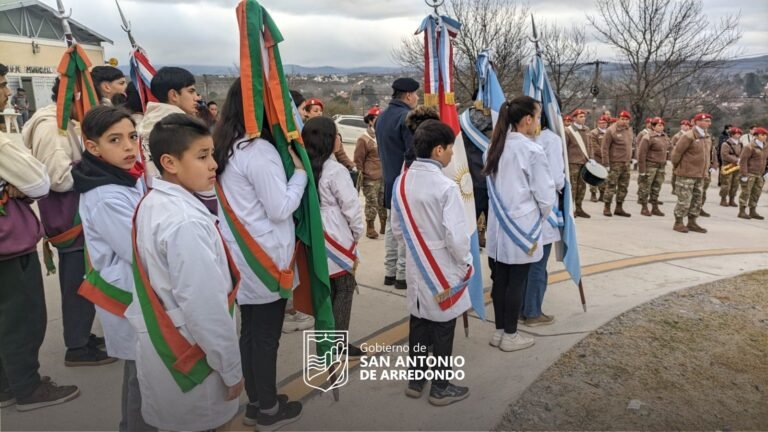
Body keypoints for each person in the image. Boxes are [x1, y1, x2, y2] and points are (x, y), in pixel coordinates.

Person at [130, 114, 243, 431]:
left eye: (212, 155)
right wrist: (232, 370)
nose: (214, 166)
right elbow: (204, 307)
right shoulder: (185, 222)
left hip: (167, 342)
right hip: (193, 349)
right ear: (169, 162)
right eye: (203, 156)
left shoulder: (153, 202)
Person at [212, 79, 303, 429]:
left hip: (244, 253)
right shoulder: (258, 151)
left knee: (251, 333)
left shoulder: (228, 144)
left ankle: (258, 399)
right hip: (263, 256)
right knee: (265, 336)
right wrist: (299, 176)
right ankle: (267, 407)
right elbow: (280, 207)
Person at [0, 62, 80, 412]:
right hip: (8, 246)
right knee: (22, 318)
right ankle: (27, 388)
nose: (6, 92)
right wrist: (12, 185)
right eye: (1, 84)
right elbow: (41, 181)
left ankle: (7, 385)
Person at [71, 106, 155, 431]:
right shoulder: (106, 195)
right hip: (126, 290)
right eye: (115, 140)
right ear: (93, 148)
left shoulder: (123, 177)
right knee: (142, 376)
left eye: (132, 137)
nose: (128, 147)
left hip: (136, 287)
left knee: (144, 372)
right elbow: (139, 251)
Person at [23, 78, 113, 366]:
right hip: (69, 221)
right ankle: (76, 346)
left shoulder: (66, 122)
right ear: (76, 98)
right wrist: (99, 167)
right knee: (78, 282)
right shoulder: (52, 127)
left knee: (85, 278)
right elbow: (59, 179)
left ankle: (82, 335)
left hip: (77, 217)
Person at [391, 119, 472, 406]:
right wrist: (465, 262)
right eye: (450, 149)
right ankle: (440, 386)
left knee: (419, 320)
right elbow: (456, 237)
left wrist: (416, 251)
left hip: (416, 264)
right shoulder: (446, 187)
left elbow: (397, 228)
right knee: (442, 324)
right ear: (438, 150)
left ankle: (416, 379)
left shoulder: (401, 182)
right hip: (442, 265)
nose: (452, 154)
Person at [484, 96, 556, 352]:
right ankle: (511, 335)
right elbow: (545, 195)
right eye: (537, 117)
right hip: (523, 225)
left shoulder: (493, 147)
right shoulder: (531, 149)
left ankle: (500, 331)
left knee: (500, 280)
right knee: (517, 282)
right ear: (528, 119)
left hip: (498, 224)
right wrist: (543, 215)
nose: (538, 122)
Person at [304, 116, 365, 357]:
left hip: (315, 234)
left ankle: (327, 340)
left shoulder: (303, 167)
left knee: (325, 289)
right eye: (336, 135)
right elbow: (351, 207)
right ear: (329, 140)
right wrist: (357, 233)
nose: (339, 139)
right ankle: (339, 342)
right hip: (337, 235)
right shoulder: (336, 170)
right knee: (344, 288)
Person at [522, 110, 564, 327]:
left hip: (521, 212)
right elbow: (557, 179)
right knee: (538, 265)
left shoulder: (516, 140)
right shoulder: (551, 140)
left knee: (524, 265)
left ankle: (522, 308)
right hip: (543, 210)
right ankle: (532, 312)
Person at [377, 77, 420, 290]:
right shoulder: (406, 117)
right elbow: (412, 153)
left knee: (391, 230)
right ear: (409, 95)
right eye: (416, 95)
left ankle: (390, 271)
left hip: (388, 179)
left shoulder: (383, 117)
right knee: (404, 230)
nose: (418, 98)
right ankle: (402, 275)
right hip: (404, 182)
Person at [138, 66, 201, 178]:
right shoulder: (180, 127)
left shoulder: (147, 121)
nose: (197, 98)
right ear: (173, 95)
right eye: (191, 91)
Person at [670, 113, 713, 233]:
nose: (709, 123)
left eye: (709, 121)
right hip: (686, 174)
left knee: (697, 200)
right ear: (697, 122)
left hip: (700, 175)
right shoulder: (689, 136)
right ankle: (678, 222)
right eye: (706, 121)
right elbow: (676, 153)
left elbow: (708, 154)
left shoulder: (707, 136)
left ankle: (692, 222)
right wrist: (678, 167)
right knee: (684, 200)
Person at [460, 95, 492, 248]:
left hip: (469, 177)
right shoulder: (495, 118)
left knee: (468, 222)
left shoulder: (463, 119)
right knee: (492, 225)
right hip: (489, 178)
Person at [354, 107, 386, 239]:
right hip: (370, 177)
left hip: (384, 176)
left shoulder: (384, 135)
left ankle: (384, 224)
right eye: (377, 120)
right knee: (372, 202)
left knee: (383, 202)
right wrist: (360, 176)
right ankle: (370, 227)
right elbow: (358, 159)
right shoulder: (364, 138)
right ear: (370, 121)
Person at [601, 110, 634, 217]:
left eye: (627, 119)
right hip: (614, 163)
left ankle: (619, 207)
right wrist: (606, 163)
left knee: (623, 186)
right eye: (623, 119)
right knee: (611, 185)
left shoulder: (629, 130)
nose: (625, 121)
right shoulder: (611, 130)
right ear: (619, 119)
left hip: (626, 163)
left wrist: (632, 158)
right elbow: (604, 148)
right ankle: (607, 207)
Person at [636, 117, 669, 217]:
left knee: (656, 187)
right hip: (650, 165)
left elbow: (669, 147)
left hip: (661, 166)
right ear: (653, 126)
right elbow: (641, 154)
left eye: (662, 125)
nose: (661, 127)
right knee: (645, 187)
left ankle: (654, 207)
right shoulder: (647, 137)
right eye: (659, 125)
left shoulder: (664, 136)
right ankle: (644, 207)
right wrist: (642, 169)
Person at [737, 127, 768, 220]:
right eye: (762, 135)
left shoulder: (766, 146)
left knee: (756, 193)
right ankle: (742, 211)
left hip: (760, 174)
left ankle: (752, 211)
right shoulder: (749, 146)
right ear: (756, 136)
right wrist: (744, 174)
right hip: (750, 173)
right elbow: (743, 161)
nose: (765, 137)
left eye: (766, 135)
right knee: (745, 193)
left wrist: (766, 171)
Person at [564, 109, 590, 218]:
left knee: (582, 187)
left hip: (584, 162)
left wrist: (591, 158)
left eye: (584, 116)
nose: (583, 118)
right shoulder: (568, 131)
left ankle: (579, 208)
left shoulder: (587, 130)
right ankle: (571, 209)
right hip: (572, 163)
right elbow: (564, 147)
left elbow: (589, 146)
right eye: (580, 116)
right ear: (574, 118)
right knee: (572, 187)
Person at [719, 127, 743, 207]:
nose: (738, 135)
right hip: (727, 166)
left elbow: (742, 153)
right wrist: (736, 160)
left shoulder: (740, 144)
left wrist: (741, 160)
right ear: (732, 134)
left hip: (737, 166)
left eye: (739, 134)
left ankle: (732, 199)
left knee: (735, 184)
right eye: (736, 134)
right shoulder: (726, 144)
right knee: (726, 184)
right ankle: (723, 199)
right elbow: (725, 155)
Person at [588, 115, 609, 202]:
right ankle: (593, 194)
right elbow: (594, 146)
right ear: (598, 123)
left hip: (606, 159)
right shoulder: (594, 133)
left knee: (604, 177)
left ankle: (602, 194)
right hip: (596, 158)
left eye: (604, 123)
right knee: (594, 177)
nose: (603, 125)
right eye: (601, 123)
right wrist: (604, 154)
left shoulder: (609, 132)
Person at [670, 119, 692, 195]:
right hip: (678, 156)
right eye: (683, 125)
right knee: (675, 173)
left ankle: (682, 188)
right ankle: (674, 188)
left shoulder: (691, 135)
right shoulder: (676, 136)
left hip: (687, 158)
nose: (685, 127)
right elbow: (672, 146)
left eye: (687, 125)